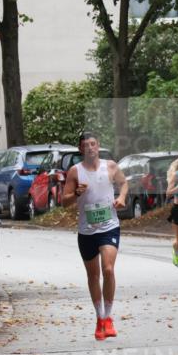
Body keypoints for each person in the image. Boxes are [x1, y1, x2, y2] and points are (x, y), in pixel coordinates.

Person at [62, 132, 128, 341]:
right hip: (87, 230)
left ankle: (108, 317)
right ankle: (99, 318)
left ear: (98, 146)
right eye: (86, 145)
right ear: (81, 149)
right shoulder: (75, 172)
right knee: (93, 276)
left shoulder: (110, 166)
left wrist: (122, 197)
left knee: (108, 269)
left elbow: (124, 183)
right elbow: (64, 201)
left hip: (109, 226)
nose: (90, 148)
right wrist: (77, 194)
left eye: (93, 144)